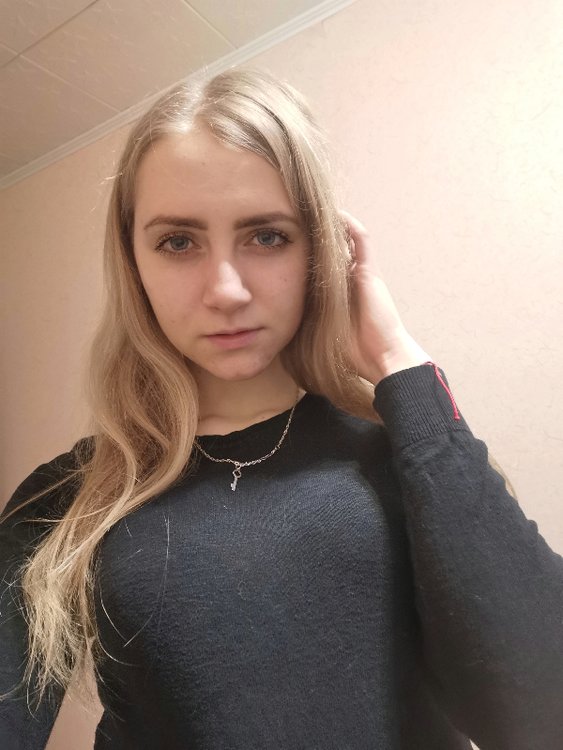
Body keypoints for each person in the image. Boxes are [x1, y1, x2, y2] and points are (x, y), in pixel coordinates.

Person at [1, 67, 562, 750]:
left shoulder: (408, 455)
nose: (226, 290)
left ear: (320, 249)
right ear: (134, 262)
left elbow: (541, 710)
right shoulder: (71, 498)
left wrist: (399, 364)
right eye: (178, 242)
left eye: (267, 236)